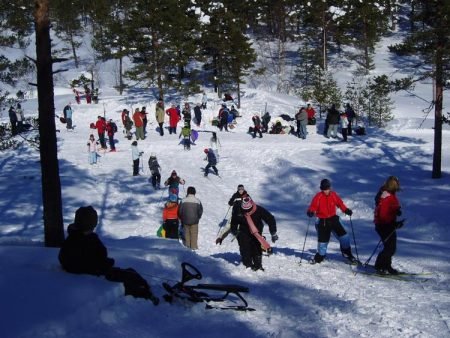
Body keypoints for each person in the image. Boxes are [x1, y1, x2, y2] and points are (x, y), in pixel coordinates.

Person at [58, 206, 159, 305]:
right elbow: (75, 261)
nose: (93, 228)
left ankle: (148, 288)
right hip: (96, 273)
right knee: (126, 280)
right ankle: (147, 296)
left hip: (99, 269)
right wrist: (102, 265)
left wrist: (105, 262)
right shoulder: (75, 240)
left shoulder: (88, 237)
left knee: (130, 272)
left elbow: (100, 254)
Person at [307, 179, 356, 264]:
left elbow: (340, 203)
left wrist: (346, 210)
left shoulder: (333, 195)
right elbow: (313, 206)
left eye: (327, 189)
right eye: (323, 189)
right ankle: (320, 257)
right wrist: (310, 212)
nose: (325, 191)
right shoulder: (318, 196)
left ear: (330, 188)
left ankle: (347, 253)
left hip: (333, 219)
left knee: (344, 237)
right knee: (323, 242)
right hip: (322, 221)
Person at [230, 197, 277, 271]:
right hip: (243, 231)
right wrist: (234, 229)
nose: (247, 212)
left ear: (252, 206)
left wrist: (273, 232)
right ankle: (247, 264)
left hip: (256, 231)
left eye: (248, 210)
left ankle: (258, 265)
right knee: (244, 247)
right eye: (245, 210)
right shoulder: (238, 210)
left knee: (256, 247)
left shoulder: (258, 209)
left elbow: (270, 218)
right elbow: (234, 221)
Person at [373, 176, 403, 275]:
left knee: (390, 247)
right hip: (383, 225)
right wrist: (393, 224)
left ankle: (386, 265)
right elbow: (383, 214)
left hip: (388, 224)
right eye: (397, 184)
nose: (398, 186)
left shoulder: (390, 194)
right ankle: (380, 266)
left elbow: (391, 207)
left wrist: (396, 211)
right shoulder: (386, 196)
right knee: (390, 248)